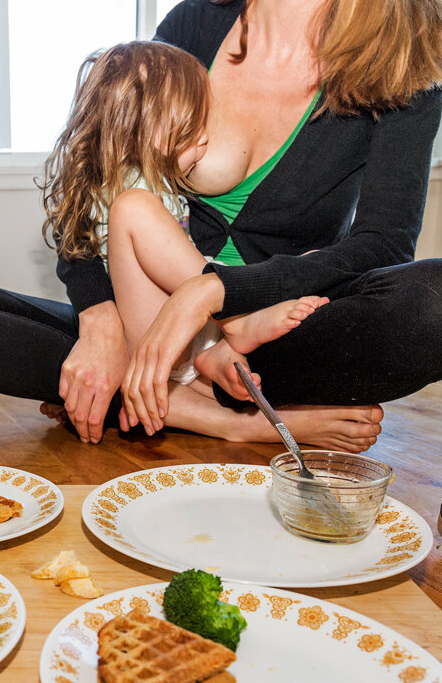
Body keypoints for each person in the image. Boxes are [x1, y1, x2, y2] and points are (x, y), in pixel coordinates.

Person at [0, 0, 442, 453]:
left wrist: (214, 293)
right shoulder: (191, 28)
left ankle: (147, 396)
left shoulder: (405, 62)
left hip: (270, 336)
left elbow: (384, 243)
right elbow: (98, 177)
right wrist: (98, 319)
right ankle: (222, 408)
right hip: (146, 316)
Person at [41, 40, 329, 411]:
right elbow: (78, 242)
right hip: (149, 332)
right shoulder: (120, 188)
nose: (205, 137)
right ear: (143, 126)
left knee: (314, 260)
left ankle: (224, 361)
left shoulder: (162, 182)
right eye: (191, 127)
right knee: (133, 209)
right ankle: (239, 320)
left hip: (188, 328)